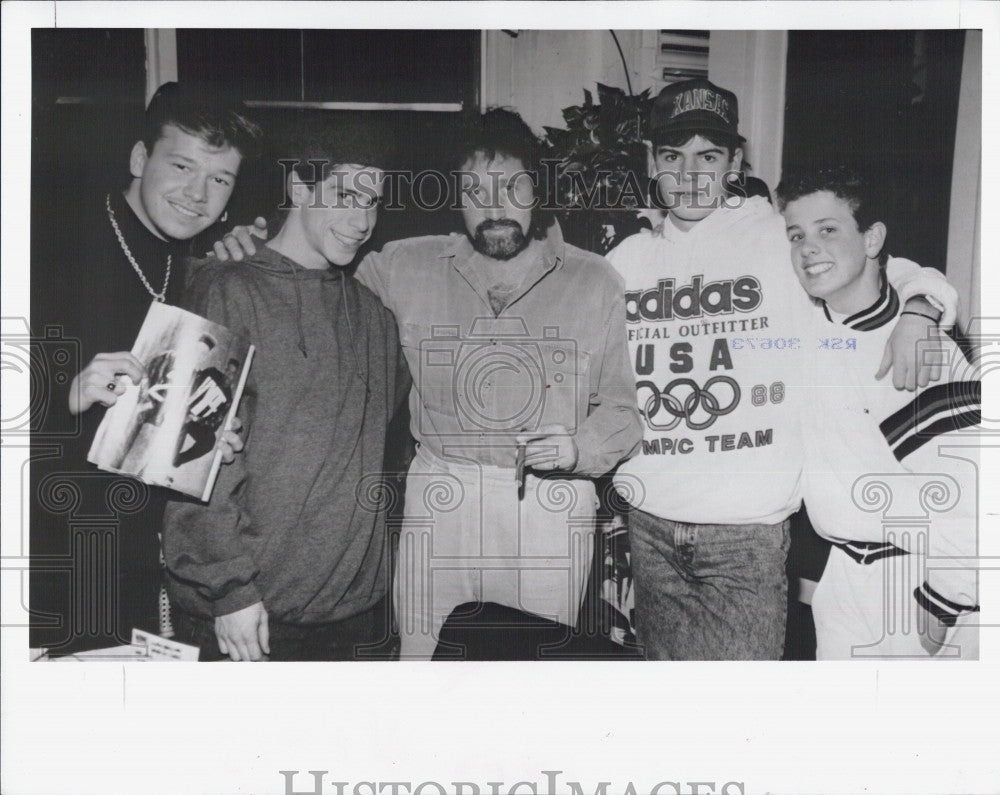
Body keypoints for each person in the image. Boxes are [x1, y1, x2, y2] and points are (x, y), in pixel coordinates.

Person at [604, 78, 960, 660]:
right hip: (648, 526)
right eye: (672, 156)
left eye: (708, 157)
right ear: (652, 162)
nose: (690, 175)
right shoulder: (626, 260)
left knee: (746, 720)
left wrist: (921, 309)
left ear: (735, 163)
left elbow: (877, 265)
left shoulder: (776, 236)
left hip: (745, 535)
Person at [351, 109, 642, 659]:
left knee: (525, 677)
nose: (495, 206)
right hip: (440, 494)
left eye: (513, 186)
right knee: (424, 663)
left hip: (549, 502)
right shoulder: (404, 266)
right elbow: (322, 278)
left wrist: (580, 448)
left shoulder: (594, 279)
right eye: (475, 190)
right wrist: (251, 242)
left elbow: (623, 409)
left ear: (539, 189)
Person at [162, 119, 411, 661]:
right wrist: (226, 592)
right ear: (299, 187)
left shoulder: (375, 320)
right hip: (251, 618)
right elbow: (178, 457)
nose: (362, 220)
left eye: (374, 201)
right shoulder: (218, 287)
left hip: (360, 620)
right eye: (346, 194)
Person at [30, 82, 262, 654]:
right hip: (44, 556)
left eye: (219, 179)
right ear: (140, 158)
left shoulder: (200, 271)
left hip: (137, 562)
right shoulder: (47, 240)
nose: (197, 193)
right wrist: (65, 395)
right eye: (182, 165)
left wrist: (207, 434)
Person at [776, 166, 979, 660]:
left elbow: (976, 485)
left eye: (828, 230)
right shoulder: (808, 326)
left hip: (915, 583)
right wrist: (923, 298)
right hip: (843, 576)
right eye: (797, 235)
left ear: (871, 240)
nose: (808, 248)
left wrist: (944, 601)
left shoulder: (913, 349)